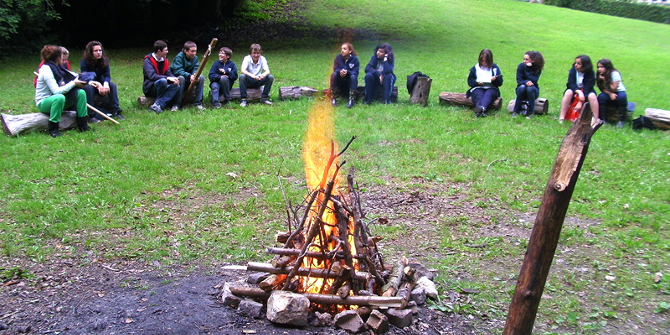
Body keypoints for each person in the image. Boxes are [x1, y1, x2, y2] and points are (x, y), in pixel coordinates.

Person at [35, 45, 90, 137]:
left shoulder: (58, 67)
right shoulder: (46, 70)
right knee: (59, 97)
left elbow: (73, 75)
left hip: (59, 101)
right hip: (44, 103)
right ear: (57, 57)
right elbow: (56, 91)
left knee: (81, 93)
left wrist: (89, 80)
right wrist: (74, 83)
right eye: (61, 56)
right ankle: (53, 128)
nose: (63, 59)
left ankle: (82, 124)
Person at [80, 40, 124, 121]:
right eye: (96, 51)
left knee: (112, 86)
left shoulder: (104, 60)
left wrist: (106, 84)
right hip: (89, 83)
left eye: (100, 50)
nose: (99, 52)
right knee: (88, 89)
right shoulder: (84, 62)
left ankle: (115, 111)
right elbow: (84, 76)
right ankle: (91, 115)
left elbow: (107, 75)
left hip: (100, 81)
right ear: (90, 52)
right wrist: (96, 85)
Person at [143, 40, 181, 114]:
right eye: (166, 50)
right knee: (163, 81)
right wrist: (167, 78)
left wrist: (174, 79)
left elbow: (168, 73)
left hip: (162, 85)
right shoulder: (148, 61)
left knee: (176, 86)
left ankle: (157, 105)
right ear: (159, 51)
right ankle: (160, 104)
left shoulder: (165, 61)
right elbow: (152, 76)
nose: (167, 52)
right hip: (150, 87)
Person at [559, 55, 599, 122]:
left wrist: (581, 101)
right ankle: (562, 117)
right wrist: (579, 92)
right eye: (576, 63)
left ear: (585, 65)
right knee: (568, 92)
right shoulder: (573, 70)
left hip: (586, 91)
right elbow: (570, 83)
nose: (576, 65)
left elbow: (589, 87)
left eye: (579, 64)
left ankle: (595, 119)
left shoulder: (591, 73)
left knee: (592, 96)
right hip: (575, 90)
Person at [466, 49, 503, 117]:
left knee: (488, 94)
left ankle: (481, 109)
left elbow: (500, 83)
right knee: (479, 95)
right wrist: (477, 82)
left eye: (486, 61)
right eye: (482, 60)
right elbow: (470, 81)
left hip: (492, 88)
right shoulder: (476, 67)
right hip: (478, 87)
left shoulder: (494, 67)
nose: (484, 62)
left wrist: (494, 80)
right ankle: (481, 110)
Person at [171, 41, 205, 110]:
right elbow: (178, 71)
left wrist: (195, 75)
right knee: (181, 78)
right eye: (192, 51)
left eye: (195, 51)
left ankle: (198, 103)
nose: (194, 53)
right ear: (185, 51)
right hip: (178, 80)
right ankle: (176, 104)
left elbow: (196, 67)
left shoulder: (195, 58)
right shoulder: (179, 58)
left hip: (190, 78)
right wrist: (189, 76)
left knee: (201, 78)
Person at [596, 59, 628, 128]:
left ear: (607, 67)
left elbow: (614, 88)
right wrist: (610, 94)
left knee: (622, 97)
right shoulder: (599, 74)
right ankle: (603, 119)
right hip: (608, 92)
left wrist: (605, 80)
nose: (599, 69)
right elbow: (601, 88)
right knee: (601, 97)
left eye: (601, 67)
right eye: (598, 67)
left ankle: (621, 120)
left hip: (618, 91)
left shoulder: (614, 74)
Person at [513, 50, 544, 117]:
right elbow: (519, 80)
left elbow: (534, 80)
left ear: (533, 60)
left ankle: (531, 112)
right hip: (522, 89)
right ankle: (516, 111)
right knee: (522, 87)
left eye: (527, 59)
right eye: (524, 59)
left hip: (533, 90)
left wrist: (528, 69)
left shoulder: (537, 68)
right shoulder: (521, 66)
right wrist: (525, 82)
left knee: (530, 88)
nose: (524, 61)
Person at [330, 42, 360, 108]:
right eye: (341, 49)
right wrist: (340, 71)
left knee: (353, 77)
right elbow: (335, 68)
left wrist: (347, 72)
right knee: (334, 74)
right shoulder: (338, 58)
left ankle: (351, 100)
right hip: (340, 80)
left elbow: (355, 72)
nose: (342, 50)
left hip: (349, 81)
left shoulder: (355, 60)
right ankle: (334, 98)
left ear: (350, 51)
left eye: (345, 49)